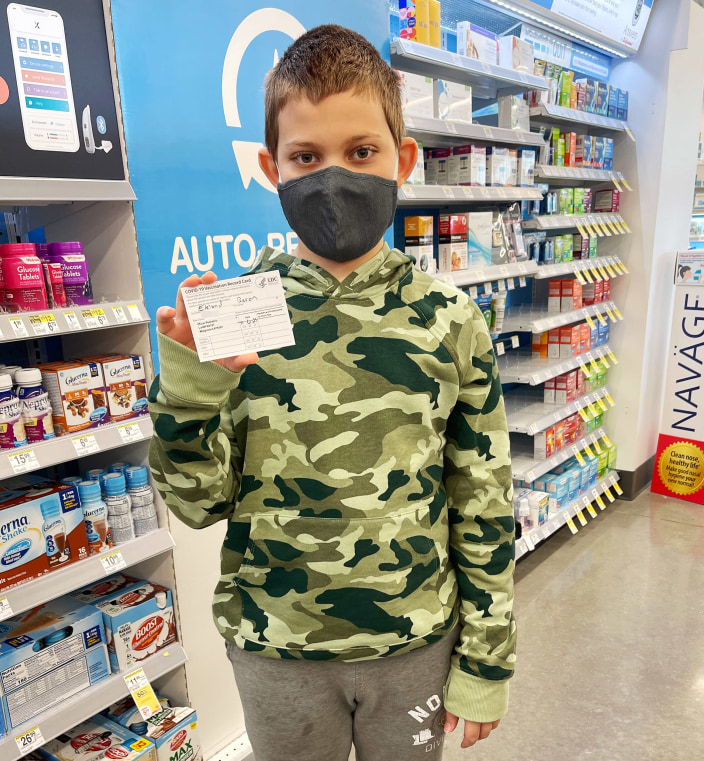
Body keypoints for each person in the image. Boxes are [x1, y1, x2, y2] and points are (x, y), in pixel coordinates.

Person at [148, 24, 516, 761]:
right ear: (270, 166)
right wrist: (189, 385)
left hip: (415, 643)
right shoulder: (236, 311)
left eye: (362, 152)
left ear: (401, 159)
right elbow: (195, 502)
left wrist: (487, 661)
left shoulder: (451, 319)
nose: (335, 177)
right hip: (275, 646)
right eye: (306, 157)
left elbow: (483, 499)